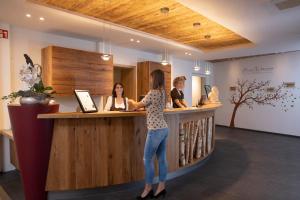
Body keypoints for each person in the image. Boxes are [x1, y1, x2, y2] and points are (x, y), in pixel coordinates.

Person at [128, 69, 169, 199]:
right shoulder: (163, 93)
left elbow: (136, 106)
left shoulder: (153, 93)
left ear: (155, 79)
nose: (150, 80)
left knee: (147, 159)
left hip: (155, 130)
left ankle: (148, 189)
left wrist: (129, 100)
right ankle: (161, 187)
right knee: (162, 159)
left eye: (151, 78)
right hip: (164, 128)